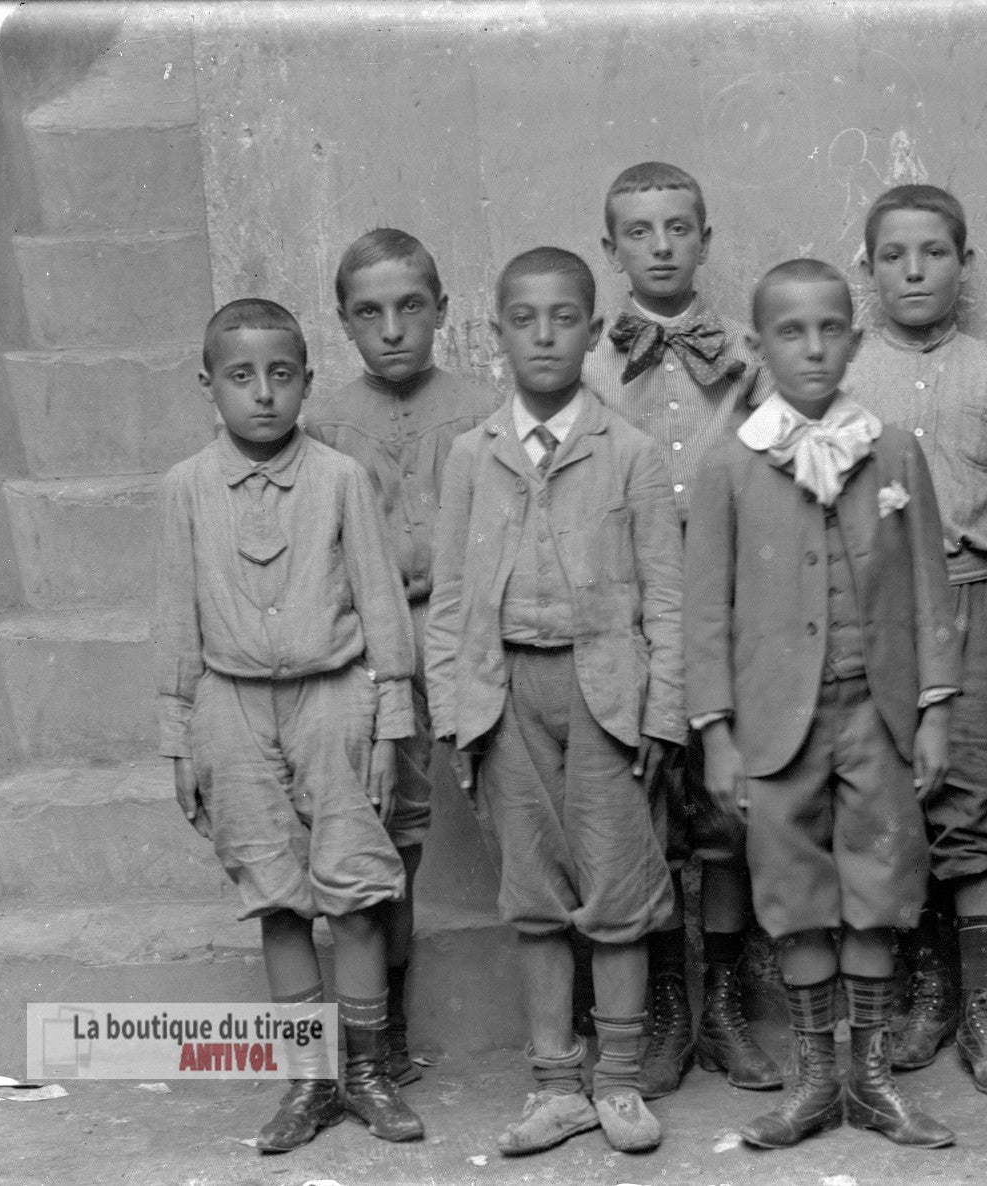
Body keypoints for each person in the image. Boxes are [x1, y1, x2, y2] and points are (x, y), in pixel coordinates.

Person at [685, 258, 961, 1151]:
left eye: (829, 328)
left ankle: (871, 1082)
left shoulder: (896, 449)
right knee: (795, 892)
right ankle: (813, 1082)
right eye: (790, 332)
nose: (812, 347)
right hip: (774, 723)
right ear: (760, 346)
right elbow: (705, 610)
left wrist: (935, 712)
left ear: (853, 336)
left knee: (879, 888)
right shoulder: (730, 464)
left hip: (875, 715)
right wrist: (716, 733)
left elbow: (929, 590)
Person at [425, 247, 685, 1156]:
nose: (544, 335)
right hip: (505, 694)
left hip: (605, 692)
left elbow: (667, 598)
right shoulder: (471, 455)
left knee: (617, 889)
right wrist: (456, 714)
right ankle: (553, 1085)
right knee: (533, 894)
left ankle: (617, 1082)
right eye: (524, 319)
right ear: (496, 333)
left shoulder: (633, 453)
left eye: (564, 317)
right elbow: (452, 597)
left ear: (589, 327)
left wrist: (662, 715)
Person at [156, 298, 424, 1151]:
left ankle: (369, 1074)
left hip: (335, 700)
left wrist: (390, 725)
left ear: (307, 380)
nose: (263, 394)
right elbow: (175, 618)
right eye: (241, 377)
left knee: (354, 895)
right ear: (209, 387)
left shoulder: (340, 478)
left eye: (282, 375)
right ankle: (308, 1084)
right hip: (231, 711)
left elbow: (383, 605)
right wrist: (180, 739)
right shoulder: (185, 489)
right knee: (277, 899)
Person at [584, 161, 779, 1097]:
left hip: (726, 612)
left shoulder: (750, 352)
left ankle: (729, 1006)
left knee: (727, 817)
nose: (659, 246)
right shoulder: (584, 366)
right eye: (638, 231)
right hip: (625, 618)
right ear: (609, 246)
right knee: (644, 813)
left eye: (677, 228)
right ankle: (665, 1004)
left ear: (705, 238)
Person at [845, 184, 987, 1095]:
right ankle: (923, 988)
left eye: (934, 252)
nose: (914, 270)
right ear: (869, 268)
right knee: (894, 805)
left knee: (975, 796)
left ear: (965, 263)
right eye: (893, 255)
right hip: (881, 613)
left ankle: (981, 1009)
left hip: (976, 599)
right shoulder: (839, 378)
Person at [305, 228, 500, 1084]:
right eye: (369, 312)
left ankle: (571, 1017)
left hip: (471, 631)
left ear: (443, 312)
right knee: (388, 831)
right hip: (374, 651)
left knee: (526, 803)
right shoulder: (325, 425)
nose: (392, 329)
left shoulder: (485, 410)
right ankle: (381, 1023)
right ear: (344, 324)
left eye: (410, 307)